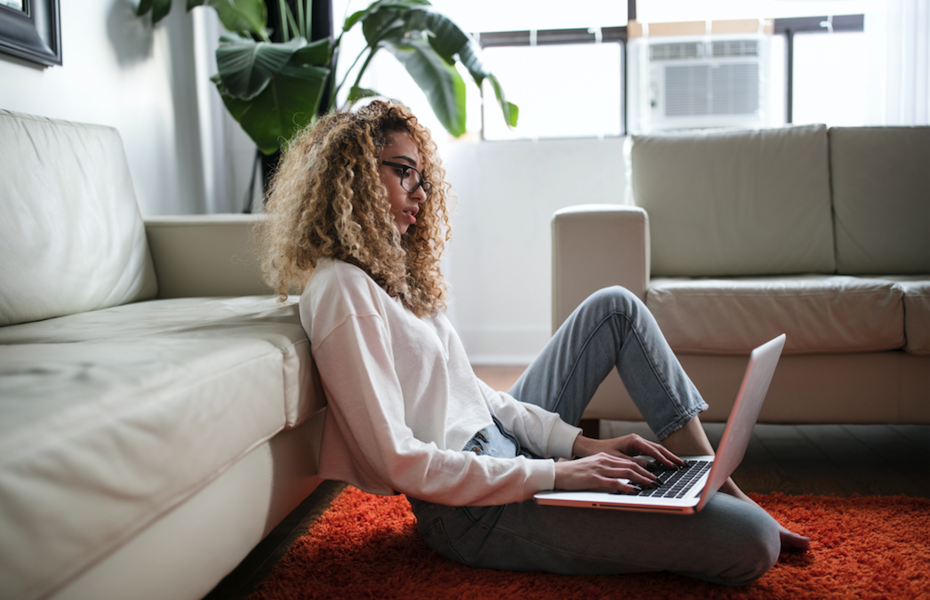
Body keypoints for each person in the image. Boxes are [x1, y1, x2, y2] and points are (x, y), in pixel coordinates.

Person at [261, 100, 809, 586]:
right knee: (753, 542)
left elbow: (475, 396)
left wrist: (579, 447)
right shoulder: (342, 289)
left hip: (503, 450)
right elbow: (398, 461)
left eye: (422, 178)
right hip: (471, 511)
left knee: (614, 307)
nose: (420, 195)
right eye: (404, 173)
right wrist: (556, 474)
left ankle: (712, 478)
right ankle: (712, 504)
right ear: (353, 174)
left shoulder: (390, 275)